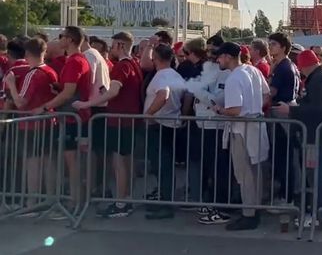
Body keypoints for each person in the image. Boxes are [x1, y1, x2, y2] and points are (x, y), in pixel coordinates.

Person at [74, 32, 143, 218]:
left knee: (119, 161)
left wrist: (87, 104)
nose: (111, 48)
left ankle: (121, 203)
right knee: (126, 160)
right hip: (128, 119)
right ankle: (126, 199)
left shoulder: (123, 66)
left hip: (120, 119)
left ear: (120, 45)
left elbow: (114, 91)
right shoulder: (134, 64)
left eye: (113, 45)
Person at [273, 50, 322, 229]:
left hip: (316, 134)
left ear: (304, 65)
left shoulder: (318, 79)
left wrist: (292, 110)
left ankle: (319, 214)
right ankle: (320, 212)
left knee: (315, 174)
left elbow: (316, 109)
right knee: (318, 174)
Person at [213, 42, 271, 231]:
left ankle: (249, 214)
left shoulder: (234, 78)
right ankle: (255, 208)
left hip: (241, 128)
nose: (217, 60)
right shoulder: (253, 71)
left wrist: (220, 110)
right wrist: (254, 108)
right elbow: (266, 94)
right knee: (256, 171)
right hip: (256, 123)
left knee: (244, 173)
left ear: (228, 57)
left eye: (220, 57)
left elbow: (235, 109)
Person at [35, 26, 92, 213]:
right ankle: (74, 201)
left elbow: (68, 93)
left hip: (72, 118)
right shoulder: (75, 60)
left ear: (70, 40)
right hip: (71, 116)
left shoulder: (75, 61)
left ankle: (75, 203)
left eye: (61, 36)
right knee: (71, 161)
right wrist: (58, 88)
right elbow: (68, 88)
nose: (59, 39)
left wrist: (44, 106)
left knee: (72, 161)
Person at [3, 38, 58, 215]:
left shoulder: (32, 74)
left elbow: (21, 102)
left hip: (31, 126)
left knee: (32, 163)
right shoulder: (50, 71)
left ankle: (32, 202)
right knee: (48, 162)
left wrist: (11, 83)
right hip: (49, 122)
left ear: (27, 54)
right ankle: (49, 199)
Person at [186, 37, 233, 225]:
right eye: (209, 52)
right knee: (207, 166)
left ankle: (221, 205)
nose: (211, 56)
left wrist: (202, 94)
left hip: (217, 125)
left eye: (215, 53)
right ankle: (209, 201)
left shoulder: (229, 74)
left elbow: (218, 99)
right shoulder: (209, 70)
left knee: (219, 168)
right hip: (203, 123)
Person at [143, 44, 187, 220]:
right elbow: (186, 96)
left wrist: (149, 113)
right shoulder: (175, 75)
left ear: (156, 58)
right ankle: (164, 200)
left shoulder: (161, 76)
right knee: (165, 166)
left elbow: (163, 95)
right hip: (171, 122)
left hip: (160, 124)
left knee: (162, 166)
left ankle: (166, 205)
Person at [267, 32, 301, 207]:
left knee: (283, 156)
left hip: (282, 112)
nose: (270, 46)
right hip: (286, 111)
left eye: (273, 44)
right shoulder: (288, 65)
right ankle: (287, 193)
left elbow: (270, 92)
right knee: (284, 156)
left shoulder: (283, 67)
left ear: (282, 47)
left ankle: (286, 196)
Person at [81, 34, 112, 119]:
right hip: (99, 102)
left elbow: (90, 80)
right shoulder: (95, 54)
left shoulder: (89, 55)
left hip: (94, 104)